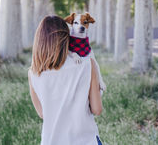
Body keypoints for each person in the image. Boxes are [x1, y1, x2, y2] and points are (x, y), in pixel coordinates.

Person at [28, 15, 103, 145]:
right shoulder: (87, 64)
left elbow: (43, 113)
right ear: (66, 38)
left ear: (39, 41)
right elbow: (97, 109)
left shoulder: (33, 73)